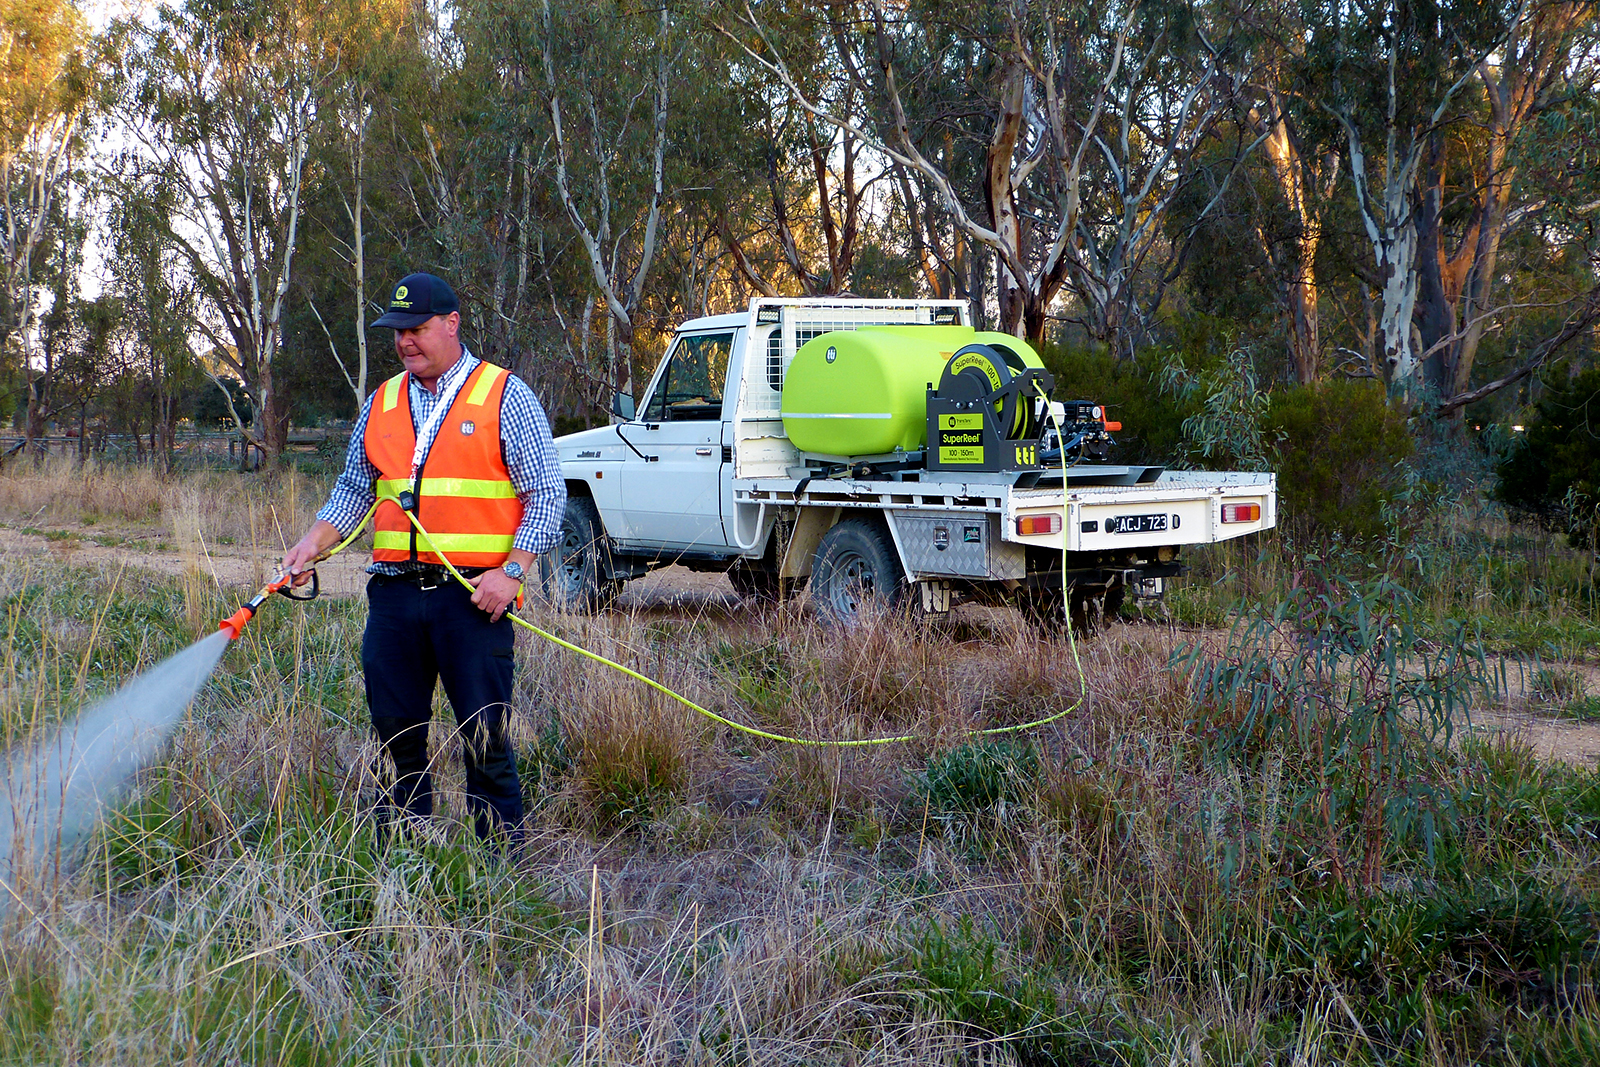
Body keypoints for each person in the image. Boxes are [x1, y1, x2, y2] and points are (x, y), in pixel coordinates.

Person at [281, 272, 566, 843]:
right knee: (394, 736)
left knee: (484, 737)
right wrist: (310, 546)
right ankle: (403, 860)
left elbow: (547, 492)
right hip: (393, 597)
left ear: (452, 323)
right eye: (397, 332)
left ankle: (498, 871)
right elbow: (353, 491)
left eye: (417, 328)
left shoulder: (504, 394)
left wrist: (512, 573)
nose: (406, 341)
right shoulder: (382, 402)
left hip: (471, 601)